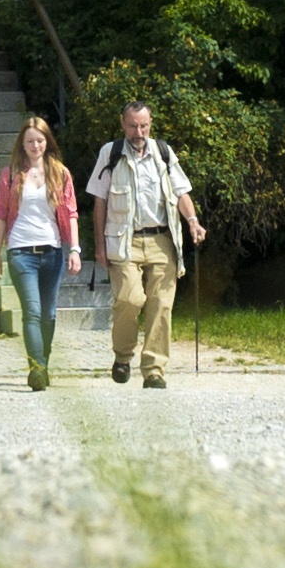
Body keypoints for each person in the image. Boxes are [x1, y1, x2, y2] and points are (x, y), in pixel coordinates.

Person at [86, 100, 204, 389]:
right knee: (129, 299)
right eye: (133, 125)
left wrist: (192, 221)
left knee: (161, 305)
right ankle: (123, 356)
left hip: (163, 240)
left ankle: (153, 370)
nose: (139, 131)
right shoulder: (110, 153)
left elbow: (182, 191)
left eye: (144, 125)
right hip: (124, 240)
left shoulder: (163, 153)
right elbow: (99, 201)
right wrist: (99, 244)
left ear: (150, 125)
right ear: (122, 124)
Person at [0, 113, 78, 392]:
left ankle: (44, 362)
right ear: (22, 144)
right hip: (20, 252)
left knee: (49, 314)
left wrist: (74, 249)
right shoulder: (9, 175)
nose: (35, 146)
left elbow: (72, 213)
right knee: (31, 311)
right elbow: (1, 216)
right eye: (29, 141)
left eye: (39, 140)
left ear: (47, 141)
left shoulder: (61, 173)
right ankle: (36, 368)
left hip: (52, 250)